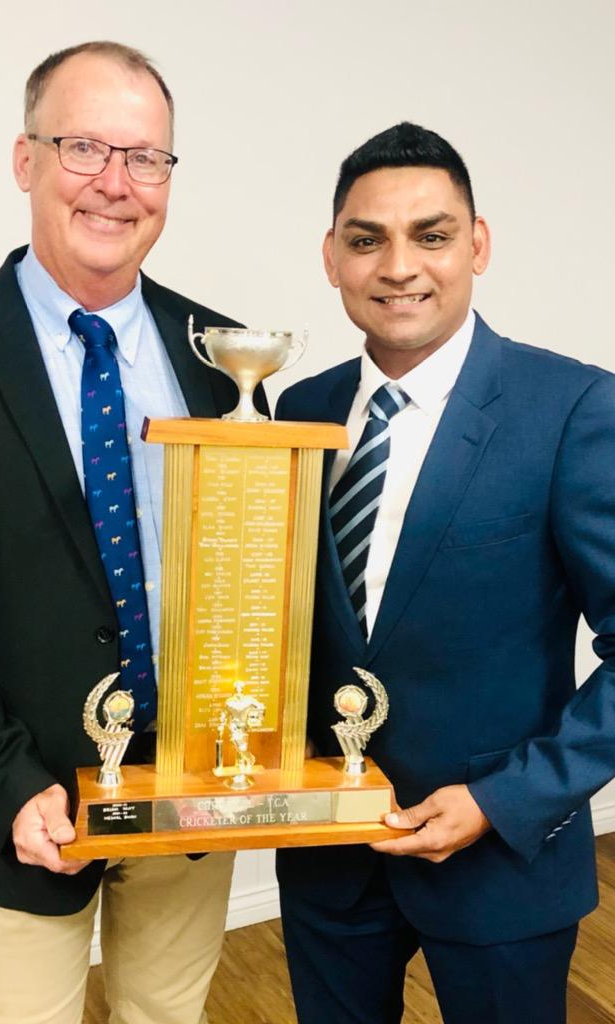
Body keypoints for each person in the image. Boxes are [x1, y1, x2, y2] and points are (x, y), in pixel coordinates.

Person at [0, 41, 255, 1024]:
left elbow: (251, 575)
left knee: (169, 1012)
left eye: (146, 157)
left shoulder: (225, 357)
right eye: (84, 147)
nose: (117, 183)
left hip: (188, 797)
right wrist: (2, 779)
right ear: (25, 159)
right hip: (21, 804)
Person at [274, 122, 615, 1024]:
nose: (398, 266)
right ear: (331, 258)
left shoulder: (573, 407)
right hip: (328, 862)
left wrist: (503, 802)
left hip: (499, 864)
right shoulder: (297, 413)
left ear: (478, 244)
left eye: (431, 234)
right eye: (365, 239)